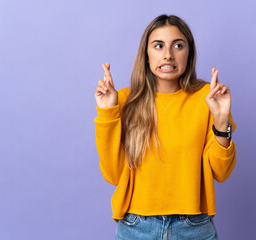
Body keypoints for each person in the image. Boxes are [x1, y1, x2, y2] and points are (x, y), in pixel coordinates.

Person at [94, 14, 237, 240]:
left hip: (194, 227)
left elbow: (221, 172)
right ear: (146, 54)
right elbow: (112, 175)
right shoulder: (124, 100)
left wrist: (221, 121)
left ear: (188, 54)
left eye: (178, 45)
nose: (168, 55)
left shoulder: (207, 98)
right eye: (158, 46)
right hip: (136, 227)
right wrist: (107, 113)